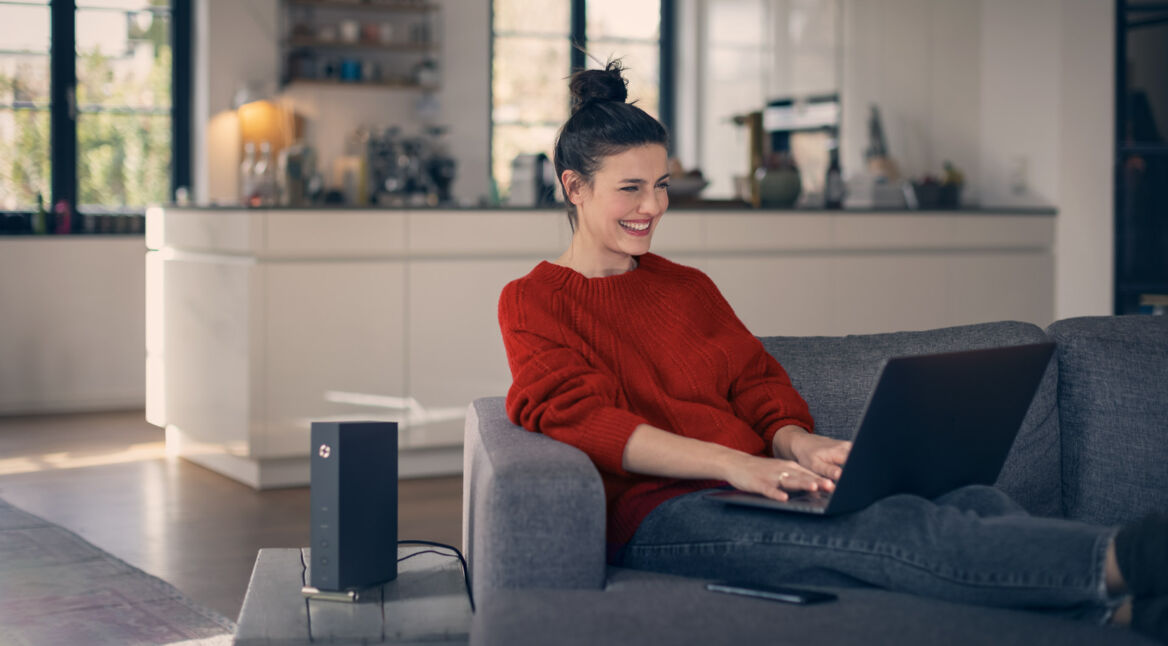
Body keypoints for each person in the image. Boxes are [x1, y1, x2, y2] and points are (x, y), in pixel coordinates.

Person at [497, 60, 1168, 642]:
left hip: (758, 484)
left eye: (663, 184)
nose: (654, 206)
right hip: (666, 514)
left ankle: (1124, 613)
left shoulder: (687, 286)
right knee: (890, 532)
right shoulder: (533, 301)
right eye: (631, 188)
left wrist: (794, 443)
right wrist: (738, 466)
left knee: (971, 499)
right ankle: (1132, 558)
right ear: (573, 187)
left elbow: (756, 382)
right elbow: (581, 419)